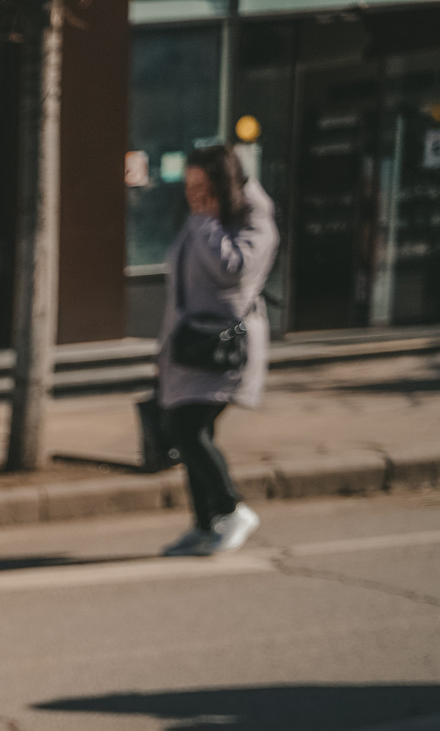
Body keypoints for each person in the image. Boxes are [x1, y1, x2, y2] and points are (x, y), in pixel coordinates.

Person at [157, 144, 278, 557]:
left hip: (225, 345)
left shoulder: (254, 218)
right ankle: (205, 524)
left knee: (187, 430)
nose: (194, 194)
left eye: (202, 186)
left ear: (224, 184)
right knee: (192, 430)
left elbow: (235, 269)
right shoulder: (200, 219)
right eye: (189, 185)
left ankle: (232, 508)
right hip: (191, 345)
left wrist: (206, 223)